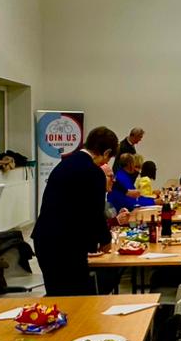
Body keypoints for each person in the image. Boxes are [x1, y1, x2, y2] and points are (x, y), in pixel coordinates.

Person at [31, 126, 118, 296]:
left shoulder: (65, 164)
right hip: (66, 244)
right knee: (76, 297)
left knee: (56, 294)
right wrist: (105, 240)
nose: (105, 163)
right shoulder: (93, 172)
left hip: (44, 239)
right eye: (108, 158)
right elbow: (95, 211)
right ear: (106, 152)